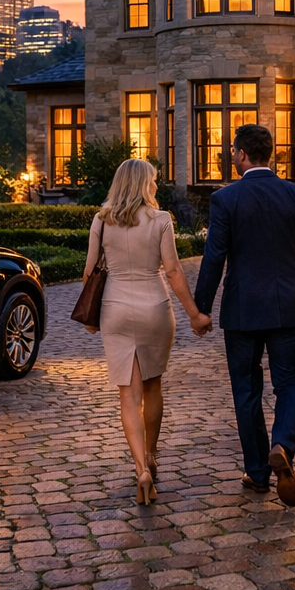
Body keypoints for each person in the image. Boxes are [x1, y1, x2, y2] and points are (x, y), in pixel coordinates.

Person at [193, 123, 295, 506]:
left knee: (246, 387)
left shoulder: (226, 198)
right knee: (290, 383)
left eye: (232, 152)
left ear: (240, 154)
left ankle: (256, 472)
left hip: (242, 309)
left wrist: (201, 308)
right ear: (271, 154)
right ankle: (282, 443)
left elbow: (214, 257)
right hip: (290, 306)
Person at [83, 159, 212, 505]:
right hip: (155, 307)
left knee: (128, 393)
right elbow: (172, 271)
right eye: (153, 180)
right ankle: (152, 456)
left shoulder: (101, 220)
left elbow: (89, 273)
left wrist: (92, 318)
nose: (156, 186)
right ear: (143, 184)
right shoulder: (161, 220)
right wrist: (195, 315)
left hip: (115, 309)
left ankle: (140, 466)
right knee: (153, 385)